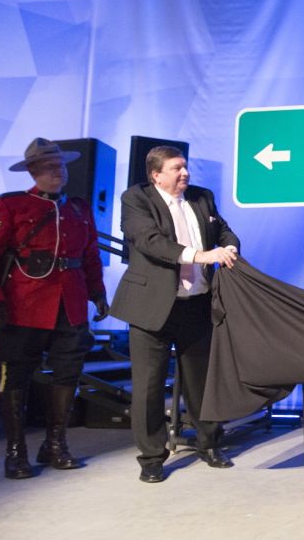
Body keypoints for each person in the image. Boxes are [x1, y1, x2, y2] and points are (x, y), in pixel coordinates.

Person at [0, 138, 108, 479]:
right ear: (33, 171)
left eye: (60, 166)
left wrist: (98, 294)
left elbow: (90, 257)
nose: (57, 172)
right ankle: (15, 453)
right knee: (16, 372)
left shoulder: (78, 208)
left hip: (70, 304)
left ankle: (56, 445)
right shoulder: (10, 206)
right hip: (23, 303)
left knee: (67, 373)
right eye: (49, 167)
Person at [108, 145, 239, 483]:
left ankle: (209, 444)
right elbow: (149, 241)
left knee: (202, 383)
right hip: (151, 306)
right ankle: (152, 457)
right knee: (149, 387)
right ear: (156, 175)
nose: (185, 173)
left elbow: (223, 230)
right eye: (177, 168)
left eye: (185, 167)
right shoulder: (136, 199)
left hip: (195, 304)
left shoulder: (201, 197)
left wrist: (229, 246)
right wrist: (201, 256)